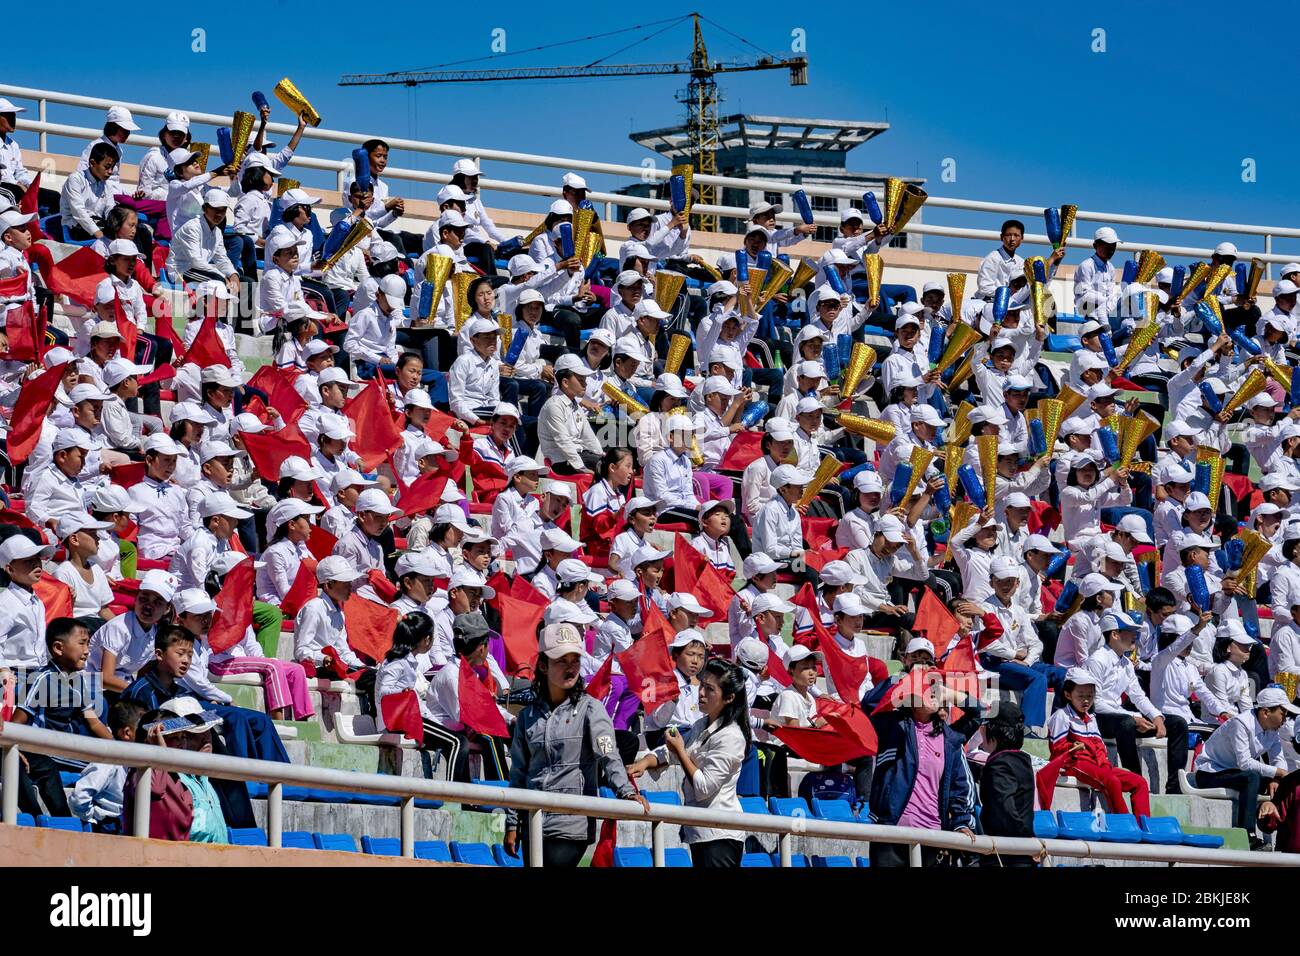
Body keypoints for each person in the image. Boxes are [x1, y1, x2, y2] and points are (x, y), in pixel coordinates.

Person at [504, 624, 649, 866]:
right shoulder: (527, 717)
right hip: (532, 821)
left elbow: (608, 755)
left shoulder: (591, 708)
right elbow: (519, 772)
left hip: (572, 823)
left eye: (575, 660)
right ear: (543, 665)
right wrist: (511, 823)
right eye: (561, 660)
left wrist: (626, 791)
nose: (571, 667)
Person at [627, 658, 751, 867]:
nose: (701, 693)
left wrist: (680, 751)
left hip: (720, 836)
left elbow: (704, 787)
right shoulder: (702, 723)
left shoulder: (731, 737)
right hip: (701, 832)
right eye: (702, 685)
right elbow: (672, 752)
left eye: (710, 689)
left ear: (729, 698)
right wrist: (646, 761)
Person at [866, 673, 977, 867]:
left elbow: (981, 712)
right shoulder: (894, 727)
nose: (934, 693)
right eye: (927, 688)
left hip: (934, 839)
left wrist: (948, 693)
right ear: (912, 697)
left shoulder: (950, 738)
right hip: (892, 834)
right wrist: (905, 678)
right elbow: (869, 702)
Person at [10, 618, 111, 817]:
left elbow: (94, 722)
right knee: (100, 769)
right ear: (58, 648)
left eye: (88, 643)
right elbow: (17, 722)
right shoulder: (40, 679)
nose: (87, 650)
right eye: (82, 643)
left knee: (109, 767)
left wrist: (118, 749)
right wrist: (13, 749)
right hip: (43, 751)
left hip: (66, 750)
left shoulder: (78, 680)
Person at [1194, 686, 1296, 849]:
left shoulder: (1273, 729)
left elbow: (1279, 759)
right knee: (1252, 777)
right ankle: (1247, 834)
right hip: (1210, 773)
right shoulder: (1240, 723)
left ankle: (1286, 835)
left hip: (1236, 774)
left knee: (1284, 784)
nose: (1285, 718)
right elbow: (1245, 763)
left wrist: (1276, 778)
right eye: (1282, 713)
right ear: (1265, 712)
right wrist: (1278, 772)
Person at [123, 697, 230, 844]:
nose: (181, 742)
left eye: (183, 736)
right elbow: (154, 790)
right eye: (175, 736)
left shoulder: (201, 779)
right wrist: (159, 753)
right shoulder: (142, 772)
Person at [976, 699, 1037, 867]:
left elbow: (1006, 808)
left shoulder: (999, 764)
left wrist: (1026, 839)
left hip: (1004, 854)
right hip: (1020, 852)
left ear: (994, 731)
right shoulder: (1022, 761)